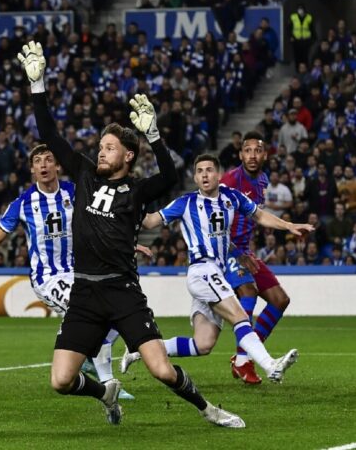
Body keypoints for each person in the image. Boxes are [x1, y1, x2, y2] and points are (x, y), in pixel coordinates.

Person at [18, 40, 244, 429]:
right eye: (101, 146)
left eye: (109, 148)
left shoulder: (138, 191)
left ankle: (209, 410)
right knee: (61, 380)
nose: (101, 152)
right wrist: (38, 86)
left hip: (123, 293)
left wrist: (154, 135)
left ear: (128, 156)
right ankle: (105, 392)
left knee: (162, 370)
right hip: (85, 293)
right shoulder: (85, 174)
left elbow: (171, 177)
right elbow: (51, 135)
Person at [0, 144, 136, 399]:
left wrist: (129, 241)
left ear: (57, 166)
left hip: (81, 273)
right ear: (32, 169)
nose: (43, 165)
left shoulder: (74, 192)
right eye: (38, 161)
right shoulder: (23, 204)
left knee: (113, 311)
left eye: (48, 159)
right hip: (48, 277)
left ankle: (85, 355)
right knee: (90, 312)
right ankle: (108, 381)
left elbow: (102, 220)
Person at [124, 154, 309, 384]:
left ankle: (140, 350)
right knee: (240, 316)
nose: (204, 175)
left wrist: (289, 225)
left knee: (203, 344)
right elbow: (151, 221)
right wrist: (128, 202)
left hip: (216, 274)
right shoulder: (187, 202)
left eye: (209, 170)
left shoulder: (232, 197)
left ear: (218, 174)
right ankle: (271, 365)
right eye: (199, 171)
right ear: (194, 177)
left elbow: (260, 215)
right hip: (202, 271)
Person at [220, 132, 295, 384]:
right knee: (249, 292)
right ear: (241, 154)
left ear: (265, 155)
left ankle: (246, 355)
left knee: (280, 299)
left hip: (245, 251)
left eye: (258, 150)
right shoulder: (230, 180)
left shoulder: (262, 180)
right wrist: (238, 253)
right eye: (248, 150)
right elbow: (215, 224)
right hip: (225, 250)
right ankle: (243, 361)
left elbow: (253, 217)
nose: (253, 155)